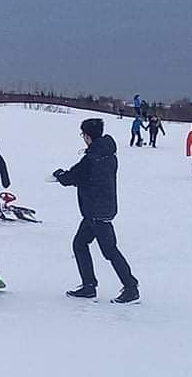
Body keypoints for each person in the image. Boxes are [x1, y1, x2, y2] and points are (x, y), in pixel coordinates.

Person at [53, 118, 139, 304]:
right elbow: (86, 177)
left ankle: (131, 288)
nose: (83, 137)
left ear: (88, 136)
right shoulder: (108, 154)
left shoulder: (92, 158)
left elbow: (73, 176)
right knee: (79, 244)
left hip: (97, 212)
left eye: (83, 134)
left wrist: (60, 175)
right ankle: (89, 286)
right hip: (99, 210)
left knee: (109, 251)